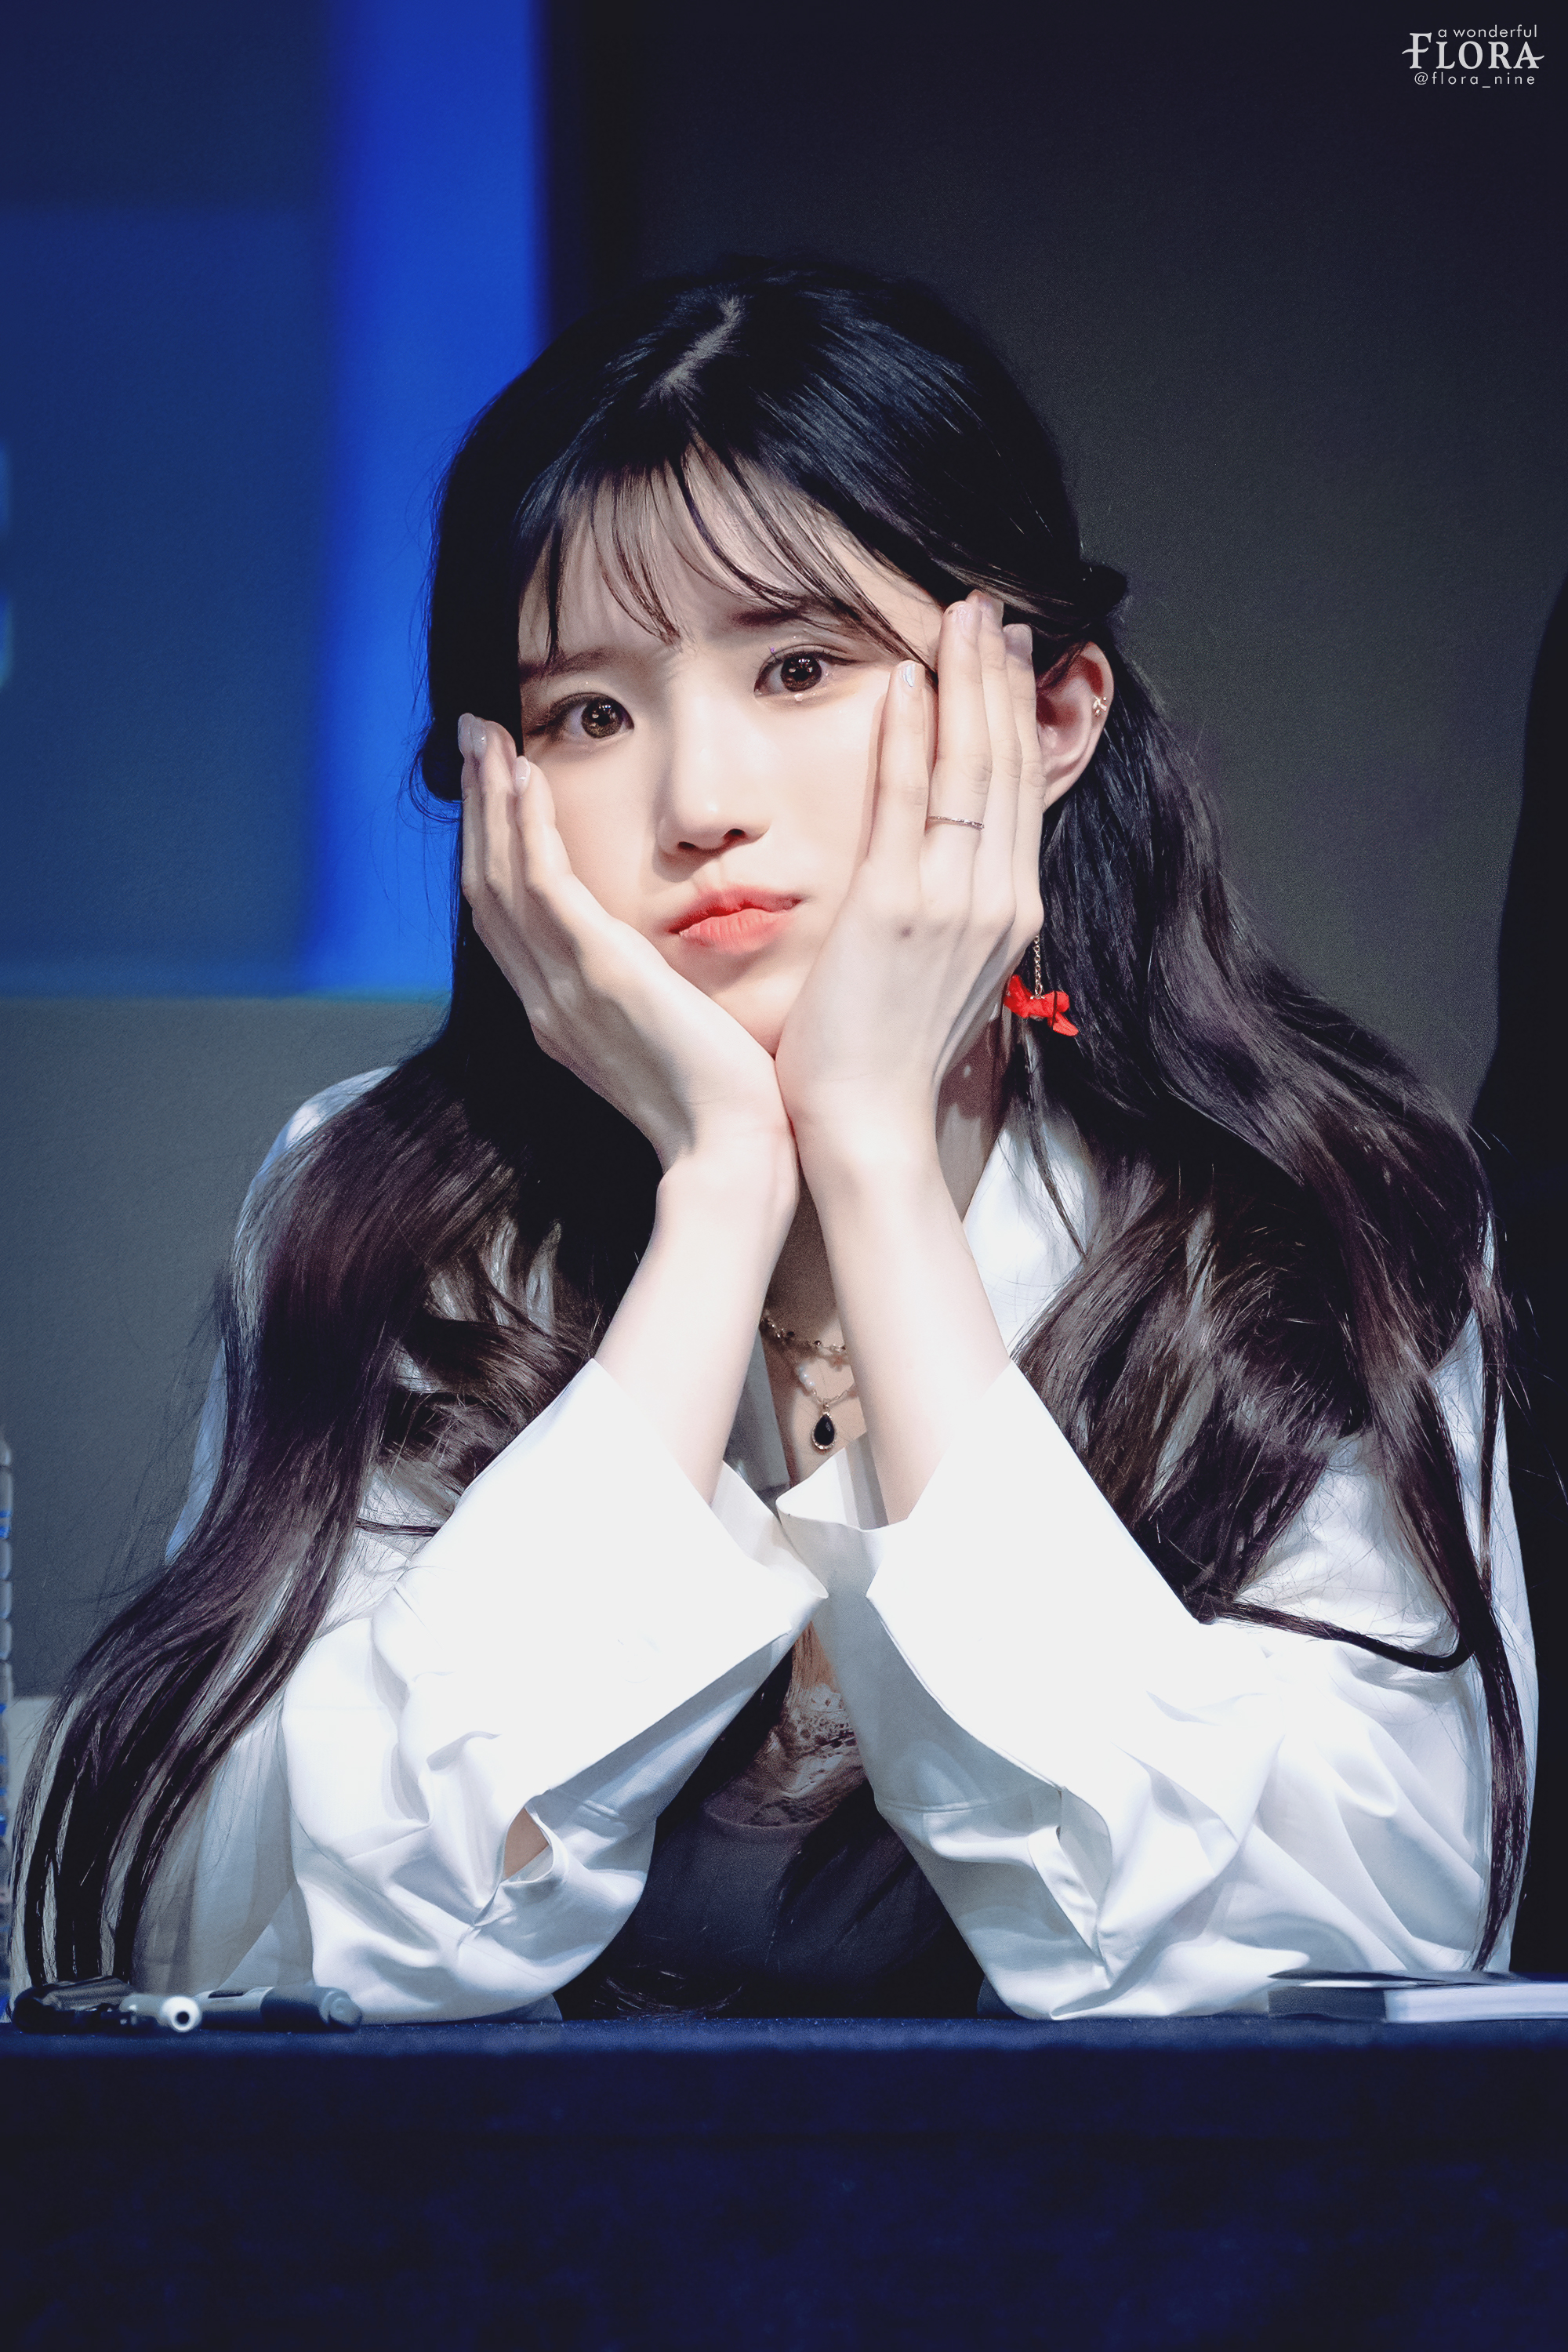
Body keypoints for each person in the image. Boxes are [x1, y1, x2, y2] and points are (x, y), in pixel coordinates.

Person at [16, 263, 1535, 2021]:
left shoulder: (1318, 1210)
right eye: (589, 715)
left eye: (799, 667)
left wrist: (874, 1163)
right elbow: (297, 1949)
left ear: (1050, 716)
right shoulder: (383, 1203)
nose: (697, 804)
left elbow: (1320, 1969)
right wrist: (721, 1195)